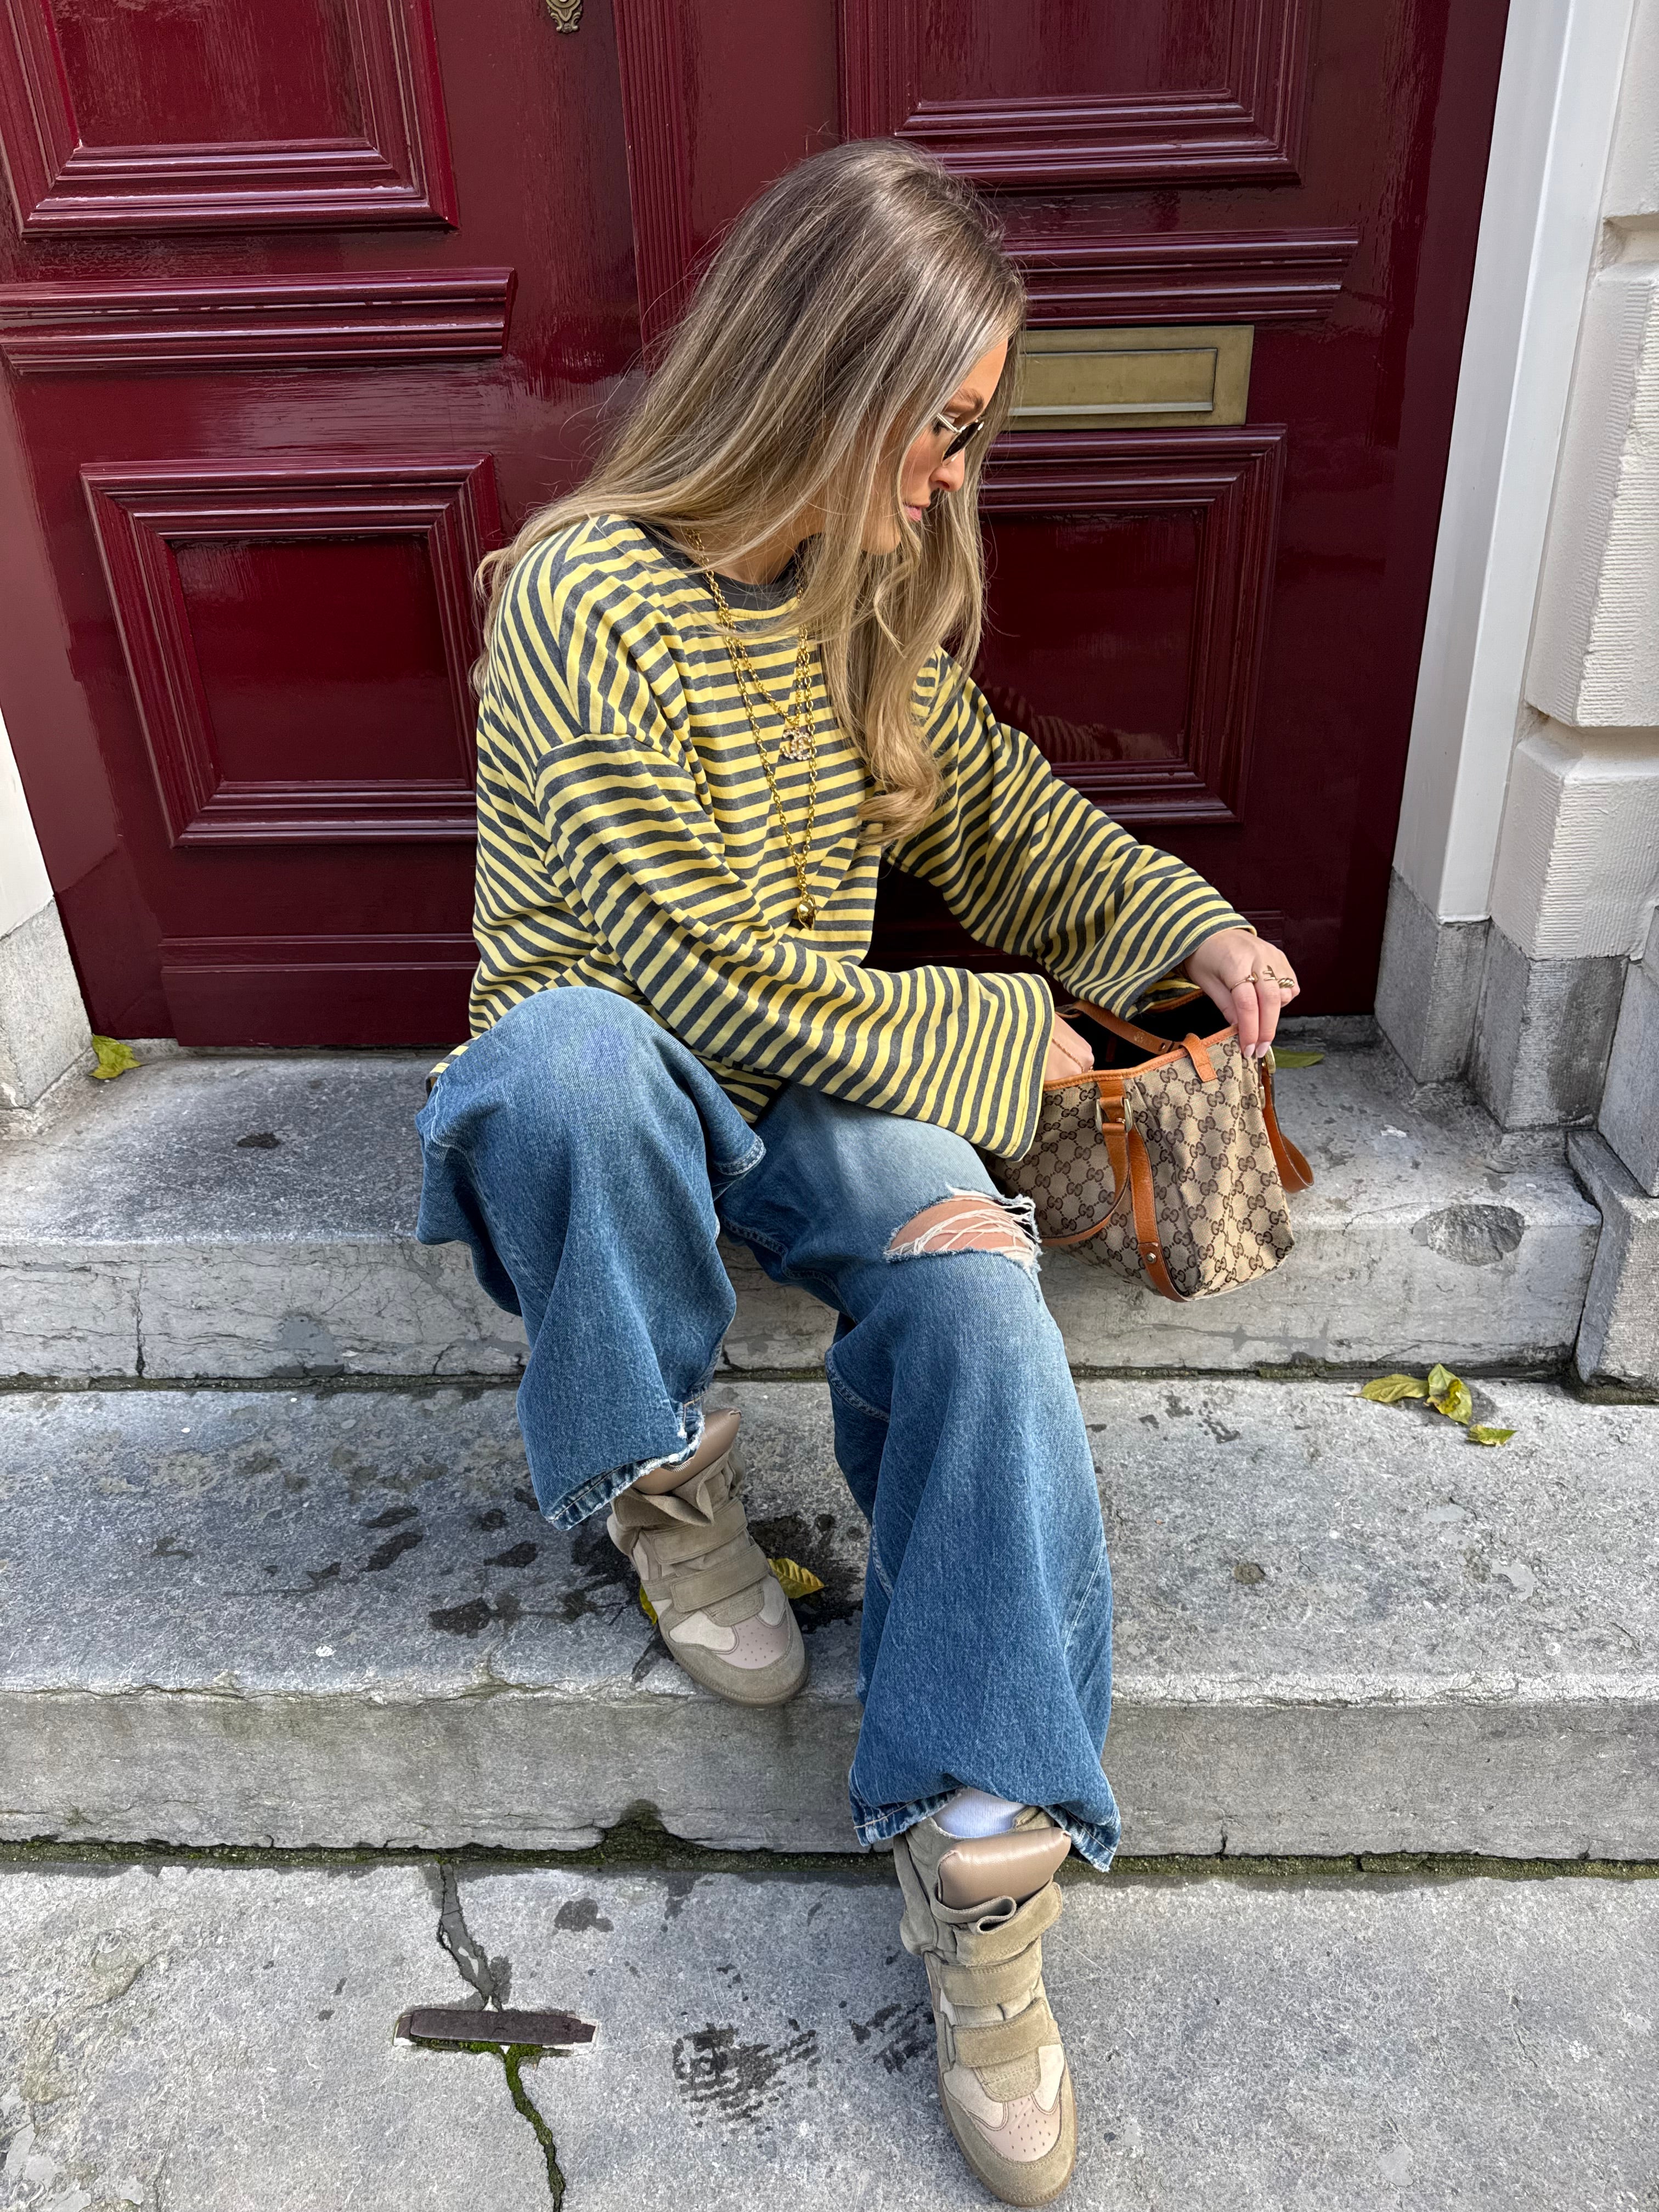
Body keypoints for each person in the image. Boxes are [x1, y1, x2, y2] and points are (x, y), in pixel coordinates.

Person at [415, 137, 1297, 2204]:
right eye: (946, 422)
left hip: (811, 1074)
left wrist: (1178, 927)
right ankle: (661, 1474)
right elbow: (688, 976)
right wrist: (1014, 1041)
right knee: (563, 1069)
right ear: (830, 379)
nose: (953, 472)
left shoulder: (864, 596)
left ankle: (985, 1852)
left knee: (975, 1274)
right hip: (632, 1094)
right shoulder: (582, 598)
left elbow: (991, 816)